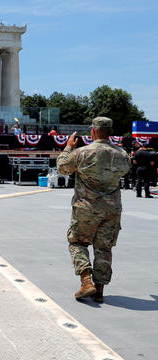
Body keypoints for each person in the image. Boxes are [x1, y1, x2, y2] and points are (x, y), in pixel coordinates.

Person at [57, 117, 130, 303]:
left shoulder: (83, 153)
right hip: (112, 209)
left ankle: (86, 281)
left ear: (93, 132)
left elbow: (62, 168)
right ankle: (99, 290)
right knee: (104, 248)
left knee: (77, 242)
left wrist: (68, 147)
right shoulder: (122, 154)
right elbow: (125, 170)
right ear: (110, 132)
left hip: (86, 208)